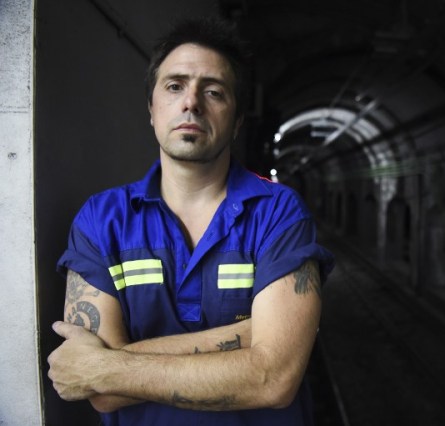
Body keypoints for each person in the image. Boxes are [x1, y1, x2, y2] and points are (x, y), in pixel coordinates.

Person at [47, 16, 334, 426]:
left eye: (213, 91)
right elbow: (103, 395)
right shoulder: (102, 219)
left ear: (236, 122)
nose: (191, 103)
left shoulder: (278, 213)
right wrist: (253, 339)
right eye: (175, 85)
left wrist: (104, 364)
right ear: (151, 109)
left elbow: (273, 379)